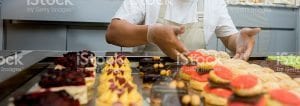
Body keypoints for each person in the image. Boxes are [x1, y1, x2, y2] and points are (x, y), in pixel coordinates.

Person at [105, 0, 261, 61]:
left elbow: (229, 38)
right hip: (147, 77)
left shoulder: (214, 3)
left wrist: (239, 41)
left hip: (197, 78)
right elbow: (113, 33)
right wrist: (151, 33)